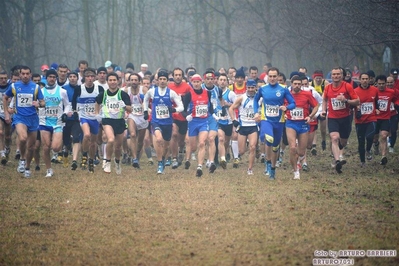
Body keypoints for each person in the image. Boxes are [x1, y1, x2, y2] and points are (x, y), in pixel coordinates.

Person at [254, 67, 296, 180]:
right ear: (267, 77)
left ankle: (272, 168)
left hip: (279, 121)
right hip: (266, 120)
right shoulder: (263, 88)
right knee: (269, 139)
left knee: (275, 146)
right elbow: (255, 100)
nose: (272, 78)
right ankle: (267, 162)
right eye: (270, 76)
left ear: (278, 77)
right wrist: (256, 112)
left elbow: (293, 103)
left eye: (274, 76)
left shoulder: (283, 89)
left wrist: (286, 107)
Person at [3, 66, 45, 178]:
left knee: (31, 147)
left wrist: (39, 104)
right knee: (22, 138)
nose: (25, 76)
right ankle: (21, 159)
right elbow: (5, 97)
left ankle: (26, 167)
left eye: (27, 74)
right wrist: (7, 113)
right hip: (19, 117)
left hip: (33, 119)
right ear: (20, 75)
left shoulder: (36, 87)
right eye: (23, 74)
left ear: (30, 75)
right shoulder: (14, 86)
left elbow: (43, 102)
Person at [143, 70, 184, 175]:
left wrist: (174, 110)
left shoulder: (171, 93)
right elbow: (145, 100)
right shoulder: (152, 91)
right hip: (156, 121)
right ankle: (160, 163)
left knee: (165, 146)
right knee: (158, 139)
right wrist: (145, 110)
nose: (162, 81)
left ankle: (164, 159)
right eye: (160, 79)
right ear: (157, 80)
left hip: (167, 123)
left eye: (164, 79)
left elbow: (181, 106)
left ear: (167, 81)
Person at [320, 67, 359, 174]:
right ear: (331, 76)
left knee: (343, 141)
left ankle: (339, 149)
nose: (336, 76)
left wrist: (346, 100)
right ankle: (337, 161)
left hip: (345, 118)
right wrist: (324, 110)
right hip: (333, 117)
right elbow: (324, 99)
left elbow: (357, 101)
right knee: (334, 138)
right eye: (334, 74)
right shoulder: (328, 88)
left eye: (338, 74)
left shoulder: (347, 86)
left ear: (342, 76)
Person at [95, 72, 131, 174]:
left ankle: (117, 162)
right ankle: (107, 161)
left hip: (119, 121)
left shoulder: (123, 94)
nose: (112, 82)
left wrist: (124, 105)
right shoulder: (104, 94)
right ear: (107, 82)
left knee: (118, 146)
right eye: (110, 80)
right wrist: (97, 114)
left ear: (118, 81)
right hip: (107, 121)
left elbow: (130, 109)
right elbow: (97, 103)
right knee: (110, 140)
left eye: (114, 80)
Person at [38, 69, 71, 177]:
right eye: (50, 77)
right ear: (46, 78)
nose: (52, 79)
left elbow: (67, 105)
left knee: (55, 147)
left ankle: (57, 150)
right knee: (46, 147)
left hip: (57, 122)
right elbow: (37, 105)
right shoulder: (41, 91)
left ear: (56, 78)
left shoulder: (62, 91)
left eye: (53, 77)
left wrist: (65, 113)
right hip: (44, 122)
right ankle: (49, 169)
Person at [72, 68, 105, 173]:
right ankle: (84, 155)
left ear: (94, 77)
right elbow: (73, 101)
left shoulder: (99, 89)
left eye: (92, 76)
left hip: (95, 118)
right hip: (84, 116)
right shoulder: (79, 89)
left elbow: (103, 103)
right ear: (84, 78)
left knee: (93, 143)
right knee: (86, 135)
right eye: (87, 76)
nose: (90, 79)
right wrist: (74, 111)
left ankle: (91, 160)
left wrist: (101, 114)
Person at [286, 76, 319, 179]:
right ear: (291, 83)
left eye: (299, 84)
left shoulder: (307, 94)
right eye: (295, 83)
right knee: (292, 147)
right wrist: (284, 113)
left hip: (303, 124)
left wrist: (310, 116)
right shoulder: (286, 94)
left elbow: (316, 105)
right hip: (291, 123)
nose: (297, 86)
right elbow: (280, 105)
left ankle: (300, 159)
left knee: (301, 151)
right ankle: (295, 171)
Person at [182, 74, 213, 177]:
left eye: (198, 82)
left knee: (202, 143)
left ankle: (199, 166)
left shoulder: (207, 93)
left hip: (203, 122)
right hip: (193, 122)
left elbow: (210, 107)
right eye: (194, 82)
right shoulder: (188, 95)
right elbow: (183, 109)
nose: (196, 84)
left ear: (201, 82)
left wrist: (215, 115)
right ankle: (188, 158)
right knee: (193, 147)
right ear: (191, 83)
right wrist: (187, 116)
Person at [229, 79, 258, 175]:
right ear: (246, 88)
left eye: (252, 87)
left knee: (252, 147)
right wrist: (234, 120)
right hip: (243, 126)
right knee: (241, 151)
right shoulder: (242, 98)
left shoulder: (259, 98)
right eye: (249, 87)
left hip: (253, 126)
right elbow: (231, 108)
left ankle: (250, 169)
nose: (250, 89)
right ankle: (241, 150)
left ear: (255, 88)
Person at [353, 73, 379, 167]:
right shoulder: (355, 91)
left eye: (366, 79)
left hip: (371, 118)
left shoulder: (375, 90)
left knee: (369, 137)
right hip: (359, 120)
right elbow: (352, 104)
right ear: (359, 80)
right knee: (361, 142)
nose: (364, 80)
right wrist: (357, 107)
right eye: (363, 79)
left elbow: (377, 101)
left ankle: (368, 150)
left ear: (369, 80)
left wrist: (377, 109)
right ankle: (362, 161)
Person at [168, 68, 191, 168]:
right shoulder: (169, 87)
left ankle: (181, 151)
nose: (178, 77)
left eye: (179, 75)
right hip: (173, 116)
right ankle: (174, 158)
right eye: (176, 75)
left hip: (184, 117)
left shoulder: (187, 87)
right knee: (174, 134)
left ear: (182, 76)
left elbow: (191, 101)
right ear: (173, 76)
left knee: (181, 141)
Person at [373, 75, 398, 165]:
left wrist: (396, 104)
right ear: (376, 84)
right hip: (375, 118)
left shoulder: (391, 92)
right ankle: (375, 145)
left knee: (384, 136)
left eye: (383, 84)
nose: (381, 85)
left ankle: (383, 157)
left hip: (385, 118)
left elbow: (396, 99)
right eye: (379, 84)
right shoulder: (373, 91)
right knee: (375, 137)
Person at [125, 73, 148, 169]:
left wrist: (144, 106)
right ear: (129, 81)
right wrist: (129, 108)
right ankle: (134, 158)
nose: (134, 82)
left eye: (135, 80)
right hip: (132, 115)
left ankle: (136, 155)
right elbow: (124, 103)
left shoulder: (143, 89)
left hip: (142, 116)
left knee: (140, 141)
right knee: (133, 135)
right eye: (132, 80)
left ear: (139, 81)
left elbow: (148, 101)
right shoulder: (126, 90)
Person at [62, 72, 82, 170]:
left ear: (77, 78)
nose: (73, 78)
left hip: (76, 118)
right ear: (68, 78)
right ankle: (65, 153)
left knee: (76, 138)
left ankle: (74, 161)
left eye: (74, 77)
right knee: (66, 140)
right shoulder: (64, 89)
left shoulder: (81, 89)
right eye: (70, 77)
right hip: (66, 118)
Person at [217, 73, 236, 168]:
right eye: (221, 79)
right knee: (220, 139)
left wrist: (227, 104)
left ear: (227, 83)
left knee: (226, 142)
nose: (222, 82)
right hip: (217, 120)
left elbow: (237, 105)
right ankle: (222, 158)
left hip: (228, 120)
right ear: (218, 81)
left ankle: (226, 152)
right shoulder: (214, 92)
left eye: (224, 80)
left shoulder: (231, 94)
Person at [310, 70, 330, 151]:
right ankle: (314, 145)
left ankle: (323, 140)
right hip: (314, 107)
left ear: (322, 78)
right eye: (317, 78)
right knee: (314, 126)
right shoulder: (310, 84)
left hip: (323, 108)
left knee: (323, 129)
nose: (318, 80)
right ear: (314, 78)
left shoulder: (326, 84)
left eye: (320, 78)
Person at [0, 71, 12, 165]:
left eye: (5, 78)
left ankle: (7, 148)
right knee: (0, 132)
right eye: (1, 78)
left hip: (9, 113)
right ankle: (2, 153)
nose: (3, 80)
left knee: (8, 136)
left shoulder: (11, 87)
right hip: (0, 113)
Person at [387, 76, 399, 152]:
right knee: (386, 129)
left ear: (394, 83)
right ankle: (388, 138)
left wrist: (396, 104)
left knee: (394, 130)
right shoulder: (382, 91)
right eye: (388, 82)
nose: (389, 84)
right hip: (384, 114)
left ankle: (392, 145)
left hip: (394, 113)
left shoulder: (397, 91)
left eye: (391, 82)